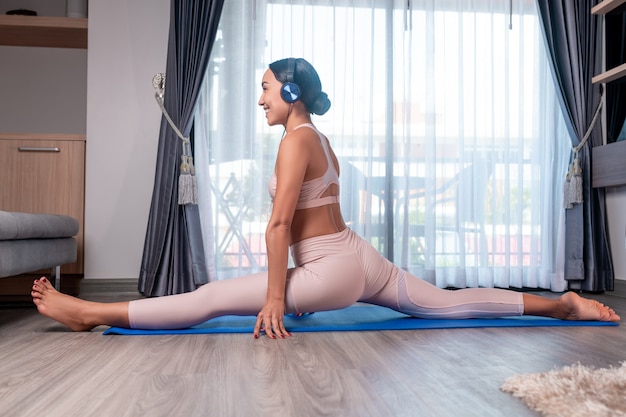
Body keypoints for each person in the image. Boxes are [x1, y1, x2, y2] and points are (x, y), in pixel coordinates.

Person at [31, 58, 620, 339]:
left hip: (335, 268)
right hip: (356, 257)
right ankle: (562, 304)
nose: (259, 99)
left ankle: (91, 312)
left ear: (289, 92)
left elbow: (279, 225)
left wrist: (274, 297)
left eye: (264, 88)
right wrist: (294, 287)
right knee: (448, 304)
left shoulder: (295, 143)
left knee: (211, 297)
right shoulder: (316, 138)